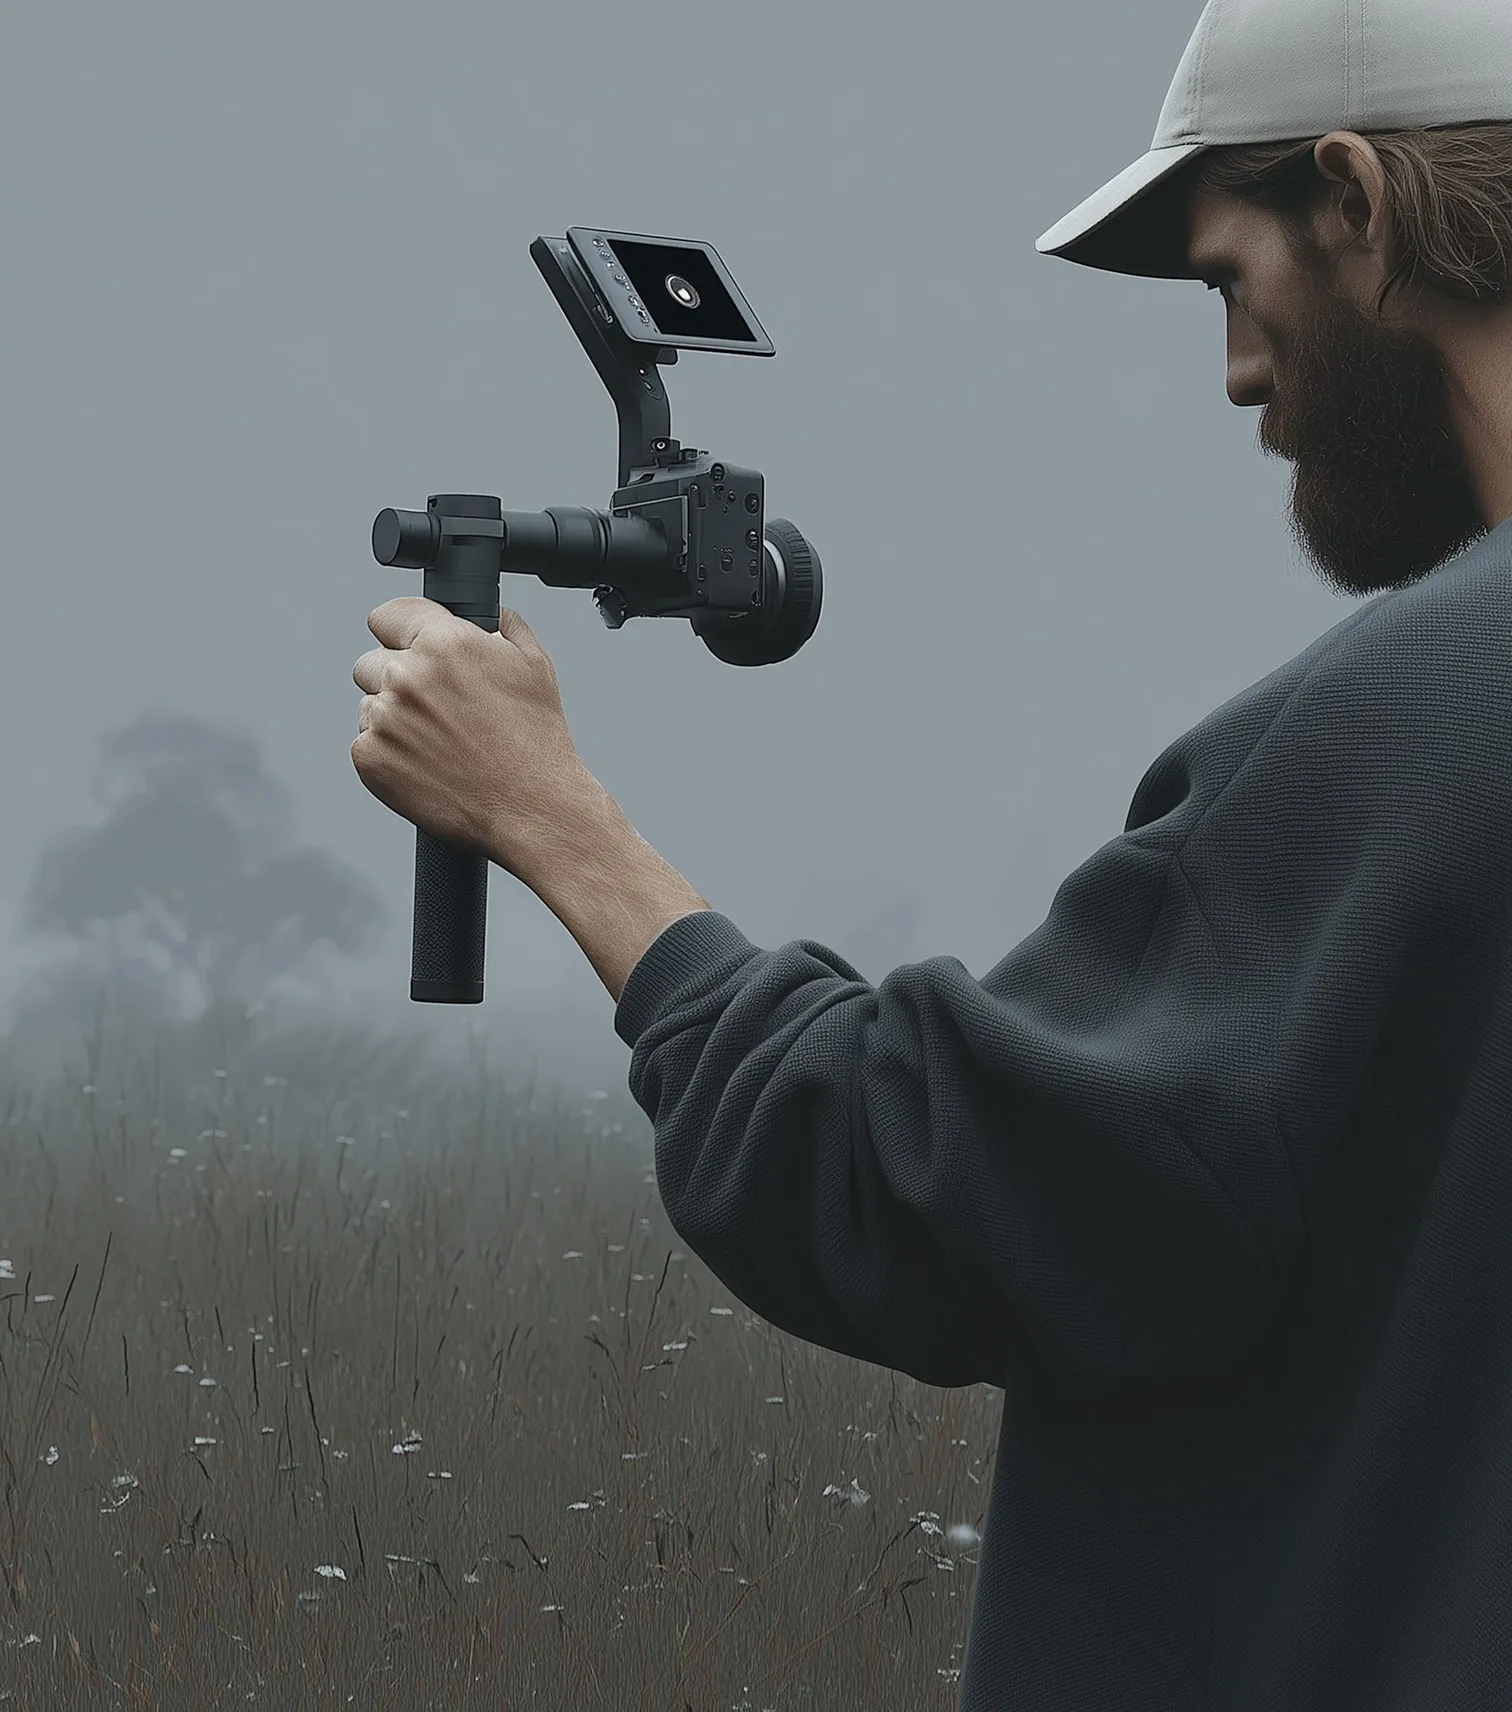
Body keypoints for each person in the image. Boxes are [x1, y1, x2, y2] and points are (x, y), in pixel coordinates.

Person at [603, 1, 1512, 1706]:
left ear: (1358, 203)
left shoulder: (1421, 720)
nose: (1238, 372)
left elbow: (916, 1188)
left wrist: (557, 829)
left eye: (1229, 280)